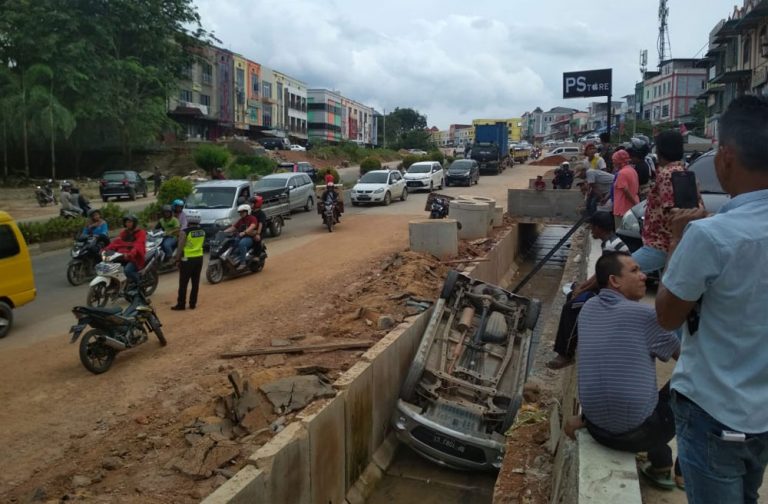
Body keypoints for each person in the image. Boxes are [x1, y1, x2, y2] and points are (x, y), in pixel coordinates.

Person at [655, 95, 768, 503]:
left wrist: (676, 245)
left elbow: (667, 315)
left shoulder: (709, 236)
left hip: (713, 411)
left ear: (726, 157)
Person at [565, 252, 682, 489]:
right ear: (614, 281)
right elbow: (687, 360)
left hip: (597, 428)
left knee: (637, 391)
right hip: (637, 434)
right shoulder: (646, 315)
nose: (644, 276)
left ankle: (661, 464)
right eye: (635, 271)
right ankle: (684, 471)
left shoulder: (588, 309)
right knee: (688, 381)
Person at [548, 212, 628, 370]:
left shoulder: (612, 247)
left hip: (614, 295)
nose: (591, 230)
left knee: (571, 308)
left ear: (599, 228)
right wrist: (581, 287)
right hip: (609, 288)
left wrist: (582, 289)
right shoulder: (611, 242)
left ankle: (565, 354)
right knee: (573, 294)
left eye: (592, 227)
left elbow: (601, 279)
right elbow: (600, 273)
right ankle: (572, 342)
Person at [631, 130, 696, 275]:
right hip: (668, 245)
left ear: (660, 150)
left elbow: (678, 212)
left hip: (660, 245)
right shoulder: (682, 171)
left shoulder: (669, 174)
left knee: (616, 272)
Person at [172, 210, 205, 310]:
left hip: (187, 259)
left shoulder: (184, 232)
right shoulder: (202, 231)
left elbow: (180, 247)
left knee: (183, 283)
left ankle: (181, 304)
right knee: (195, 283)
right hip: (199, 258)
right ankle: (192, 304)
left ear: (188, 219)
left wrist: (177, 260)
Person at [104, 215, 146, 287]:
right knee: (111, 268)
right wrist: (106, 250)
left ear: (134, 223)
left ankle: (139, 284)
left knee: (127, 271)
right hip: (123, 255)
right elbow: (116, 242)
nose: (128, 224)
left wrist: (132, 253)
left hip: (135, 257)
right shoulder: (124, 232)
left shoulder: (140, 232)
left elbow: (138, 244)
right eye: (126, 222)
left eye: (130, 222)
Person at [611, 149, 639, 231]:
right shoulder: (632, 170)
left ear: (619, 161)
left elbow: (626, 191)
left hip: (622, 209)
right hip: (631, 208)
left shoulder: (622, 173)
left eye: (614, 161)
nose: (613, 163)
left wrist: (635, 203)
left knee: (621, 233)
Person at [224, 204, 258, 270]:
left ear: (247, 211)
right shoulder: (241, 220)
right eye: (240, 212)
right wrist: (223, 232)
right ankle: (234, 258)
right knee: (232, 242)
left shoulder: (252, 218)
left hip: (249, 237)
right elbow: (233, 227)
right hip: (240, 236)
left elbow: (252, 226)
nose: (241, 214)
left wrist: (245, 232)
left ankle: (243, 263)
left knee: (242, 243)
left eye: (242, 212)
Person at [583, 143, 613, 215]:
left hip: (600, 185)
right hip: (593, 184)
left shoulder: (599, 160)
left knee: (594, 202)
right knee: (588, 202)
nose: (592, 150)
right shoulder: (585, 161)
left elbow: (604, 172)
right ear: (586, 152)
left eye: (593, 148)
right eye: (590, 149)